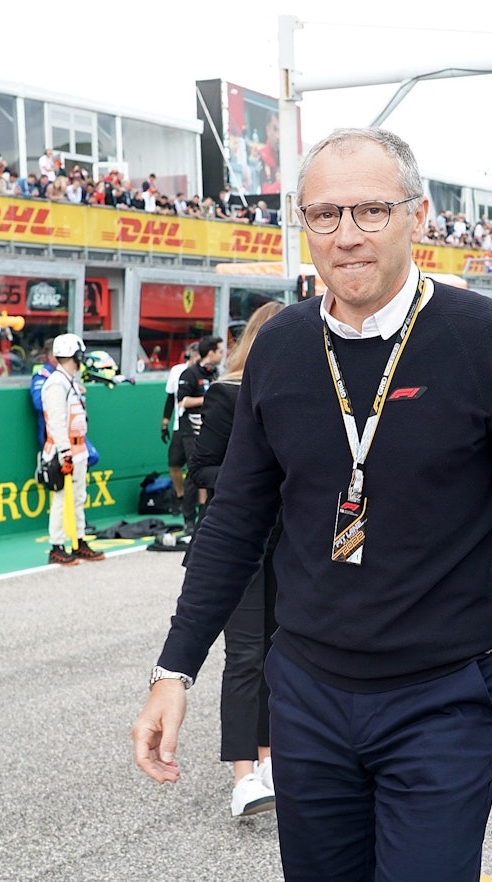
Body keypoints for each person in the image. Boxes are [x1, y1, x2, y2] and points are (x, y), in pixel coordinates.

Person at [132, 127, 492, 882]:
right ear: (304, 224)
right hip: (308, 696)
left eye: (371, 212)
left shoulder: (491, 340)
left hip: (443, 696)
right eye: (324, 215)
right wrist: (173, 671)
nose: (346, 237)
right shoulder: (279, 347)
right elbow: (235, 522)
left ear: (417, 218)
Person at [190, 301, 286, 817]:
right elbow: (201, 468)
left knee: (282, 654)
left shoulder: (306, 394)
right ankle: (243, 776)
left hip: (292, 546)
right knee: (245, 656)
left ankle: (273, 763)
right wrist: (250, 484)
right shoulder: (226, 392)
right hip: (240, 545)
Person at [40, 334, 105, 566]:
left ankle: (78, 541)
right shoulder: (56, 383)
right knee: (60, 500)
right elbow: (56, 422)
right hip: (64, 451)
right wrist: (64, 452)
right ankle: (57, 546)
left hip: (78, 449)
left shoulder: (68, 381)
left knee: (78, 499)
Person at [175, 336, 224, 532]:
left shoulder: (216, 373)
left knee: (212, 473)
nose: (222, 355)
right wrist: (209, 398)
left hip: (212, 429)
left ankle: (206, 517)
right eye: (220, 351)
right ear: (210, 353)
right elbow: (182, 401)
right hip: (191, 430)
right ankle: (188, 517)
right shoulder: (190, 373)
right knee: (193, 474)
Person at [161, 343, 200, 511]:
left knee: (195, 467)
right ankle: (180, 495)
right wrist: (165, 422)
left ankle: (196, 503)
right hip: (179, 426)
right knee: (174, 463)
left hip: (197, 427)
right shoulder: (177, 371)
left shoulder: (205, 374)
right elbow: (171, 397)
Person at [29, 339, 57, 447]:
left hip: (70, 433)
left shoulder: (65, 375)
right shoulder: (43, 375)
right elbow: (38, 403)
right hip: (50, 435)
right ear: (50, 355)